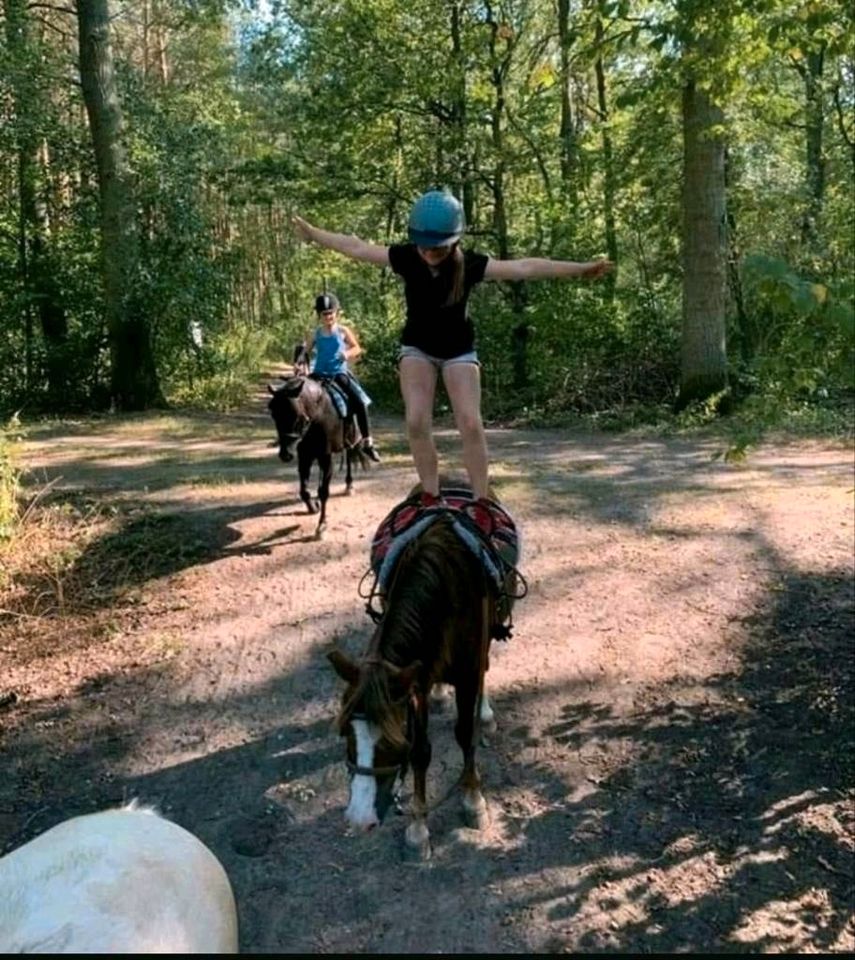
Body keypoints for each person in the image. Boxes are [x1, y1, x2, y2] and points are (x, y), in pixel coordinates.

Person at [292, 190, 613, 503]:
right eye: (425, 247)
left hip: (459, 351)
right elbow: (357, 247)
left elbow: (524, 267)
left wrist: (581, 268)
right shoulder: (405, 257)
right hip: (417, 349)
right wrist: (314, 234)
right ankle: (430, 495)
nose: (430, 254)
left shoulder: (469, 265)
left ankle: (481, 499)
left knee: (470, 422)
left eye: (439, 249)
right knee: (416, 420)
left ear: (454, 241)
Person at [299, 292, 381, 462]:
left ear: (336, 313)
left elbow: (357, 348)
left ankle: (367, 442)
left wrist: (347, 353)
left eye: (331, 313)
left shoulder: (343, 331)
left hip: (338, 374)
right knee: (301, 398)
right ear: (319, 315)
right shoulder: (315, 334)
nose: (328, 316)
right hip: (319, 373)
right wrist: (299, 362)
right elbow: (304, 352)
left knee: (359, 402)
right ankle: (298, 439)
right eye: (324, 314)